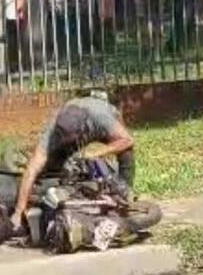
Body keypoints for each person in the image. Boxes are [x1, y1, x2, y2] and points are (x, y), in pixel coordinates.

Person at [11, 91, 135, 228]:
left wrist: (99, 151)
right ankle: (75, 193)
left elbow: (128, 140)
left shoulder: (100, 117)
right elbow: (31, 170)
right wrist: (18, 211)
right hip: (73, 127)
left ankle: (125, 192)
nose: (64, 139)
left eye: (69, 137)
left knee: (126, 151)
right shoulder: (53, 131)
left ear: (80, 131)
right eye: (63, 136)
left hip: (99, 121)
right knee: (55, 168)